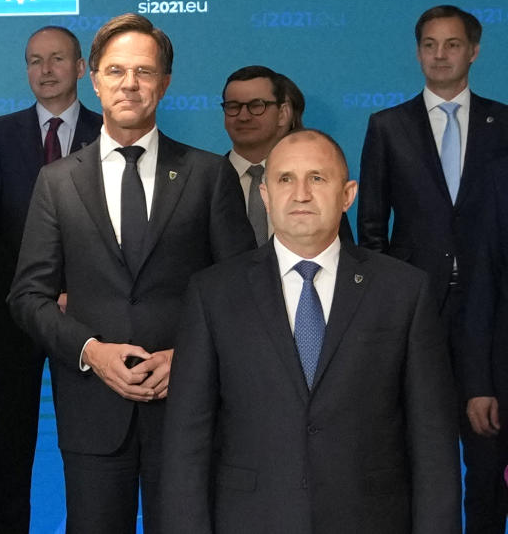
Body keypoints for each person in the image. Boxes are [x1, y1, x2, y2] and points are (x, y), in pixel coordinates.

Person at [8, 13, 255, 533]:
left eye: (144, 71)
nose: (130, 84)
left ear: (165, 83)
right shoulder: (56, 182)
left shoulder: (209, 175)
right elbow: (28, 297)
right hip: (92, 411)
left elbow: (244, 293)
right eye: (116, 70)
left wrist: (187, 359)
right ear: (92, 79)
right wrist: (91, 352)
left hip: (188, 407)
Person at [158, 129, 460, 533]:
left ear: (348, 194)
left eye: (317, 178)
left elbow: (433, 443)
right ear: (264, 195)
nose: (300, 193)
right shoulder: (212, 293)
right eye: (285, 179)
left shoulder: (404, 290)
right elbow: (186, 443)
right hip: (251, 520)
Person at [358, 4, 508, 532]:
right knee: (416, 458)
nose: (440, 55)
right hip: (411, 314)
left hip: (491, 320)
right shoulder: (388, 125)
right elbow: (371, 227)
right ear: (417, 50)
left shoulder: (504, 122)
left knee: (488, 466)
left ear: (474, 50)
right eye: (429, 44)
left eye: (451, 44)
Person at [0, 25, 101, 534]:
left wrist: (79, 293)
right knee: (10, 448)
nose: (45, 71)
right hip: (15, 316)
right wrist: (33, 295)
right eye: (34, 61)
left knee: (90, 446)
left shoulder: (108, 130)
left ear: (81, 68)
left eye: (57, 59)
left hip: (91, 317)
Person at [222, 66, 353, 247]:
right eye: (233, 107)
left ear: (283, 114)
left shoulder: (316, 183)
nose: (243, 116)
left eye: (256, 106)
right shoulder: (207, 180)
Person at [463, 157, 508, 495]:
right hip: (502, 377)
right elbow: (483, 283)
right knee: (488, 496)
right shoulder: (499, 174)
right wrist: (479, 384)